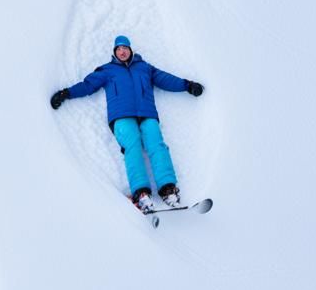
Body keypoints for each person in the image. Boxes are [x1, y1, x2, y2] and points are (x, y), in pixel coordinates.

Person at [50, 35, 204, 212]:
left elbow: (165, 79)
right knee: (133, 147)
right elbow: (87, 85)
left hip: (147, 114)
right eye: (118, 49)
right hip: (121, 116)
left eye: (125, 48)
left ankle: (168, 188)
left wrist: (187, 85)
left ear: (131, 50)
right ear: (115, 52)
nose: (122, 51)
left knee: (157, 145)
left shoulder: (145, 68)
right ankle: (141, 193)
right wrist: (66, 93)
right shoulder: (107, 70)